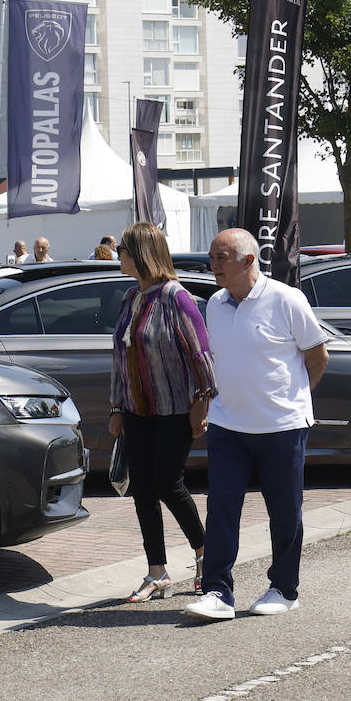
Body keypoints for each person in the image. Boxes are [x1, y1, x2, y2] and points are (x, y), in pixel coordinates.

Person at [183, 228, 329, 621]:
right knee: (222, 509)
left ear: (249, 261)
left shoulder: (286, 299)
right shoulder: (214, 303)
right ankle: (217, 592)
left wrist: (292, 397)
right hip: (229, 426)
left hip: (281, 427)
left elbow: (318, 356)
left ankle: (284, 588)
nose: (212, 266)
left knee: (284, 512)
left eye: (221, 258)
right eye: (211, 257)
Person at [109, 222, 216, 602]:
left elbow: (201, 354)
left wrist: (202, 401)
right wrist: (117, 407)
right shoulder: (130, 298)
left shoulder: (176, 297)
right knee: (142, 490)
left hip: (174, 409)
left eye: (123, 249)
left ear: (141, 254)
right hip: (137, 411)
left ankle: (206, 556)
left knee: (168, 483)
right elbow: (120, 359)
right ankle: (158, 572)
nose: (117, 255)